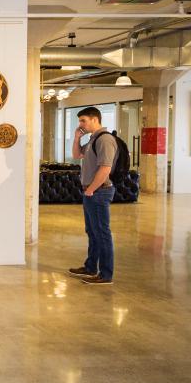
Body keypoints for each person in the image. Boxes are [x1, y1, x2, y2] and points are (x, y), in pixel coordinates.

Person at [68, 107, 117, 285]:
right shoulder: (92, 139)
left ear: (95, 119)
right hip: (92, 191)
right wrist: (76, 138)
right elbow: (76, 155)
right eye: (80, 121)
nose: (80, 124)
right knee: (93, 232)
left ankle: (105, 275)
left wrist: (91, 189)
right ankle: (90, 267)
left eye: (83, 120)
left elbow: (105, 168)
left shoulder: (105, 140)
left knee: (102, 233)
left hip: (99, 191)